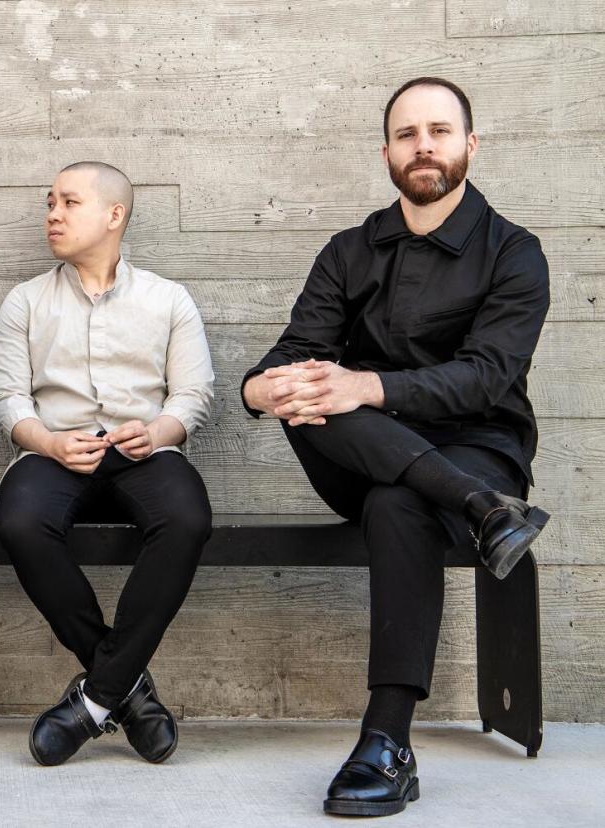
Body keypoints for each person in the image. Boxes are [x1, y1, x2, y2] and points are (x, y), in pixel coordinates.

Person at [241, 78, 550, 817]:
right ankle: (483, 513)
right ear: (386, 152)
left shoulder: (514, 253)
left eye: (440, 131)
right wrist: (262, 392)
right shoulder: (350, 251)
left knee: (398, 499)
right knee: (313, 394)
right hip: (368, 460)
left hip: (479, 447)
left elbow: (485, 379)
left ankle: (386, 741)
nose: (423, 146)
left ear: (470, 145)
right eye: (408, 134)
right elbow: (293, 355)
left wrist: (367, 388)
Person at [0, 161, 215, 767]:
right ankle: (127, 688)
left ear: (114, 215)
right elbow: (7, 399)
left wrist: (159, 430)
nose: (52, 214)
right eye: (49, 203)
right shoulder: (25, 301)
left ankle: (92, 702)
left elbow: (193, 396)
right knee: (20, 522)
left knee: (187, 520)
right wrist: (47, 442)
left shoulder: (169, 299)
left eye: (68, 202)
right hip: (55, 452)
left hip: (145, 451)